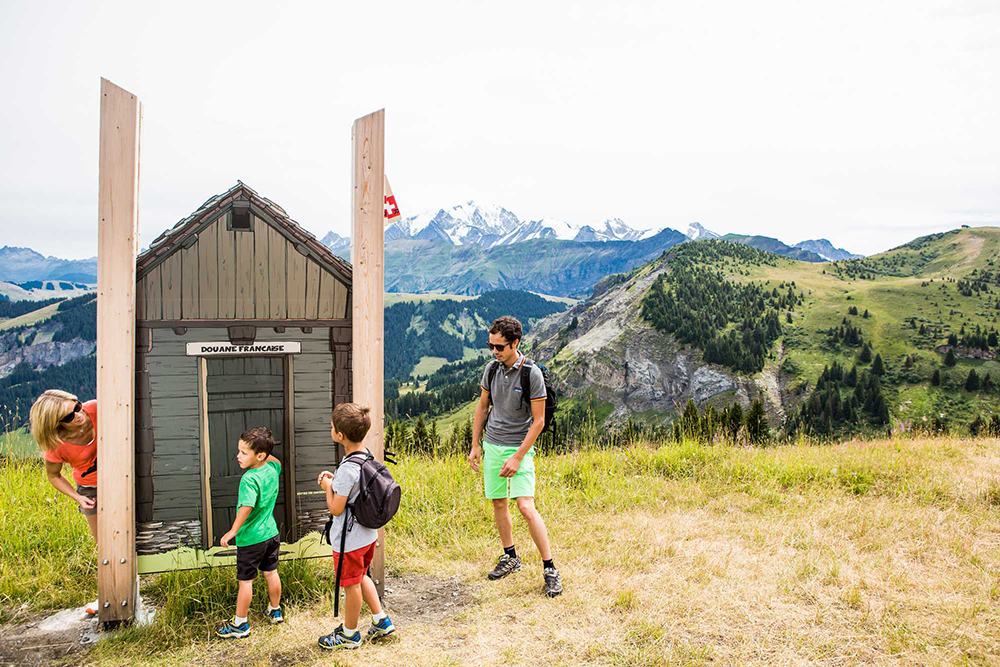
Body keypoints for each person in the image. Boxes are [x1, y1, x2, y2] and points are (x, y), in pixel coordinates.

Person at [469, 316, 563, 597]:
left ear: (515, 344)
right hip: (493, 445)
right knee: (499, 503)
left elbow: (538, 421)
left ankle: (550, 568)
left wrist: (518, 457)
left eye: (499, 347)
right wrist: (476, 444)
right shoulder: (491, 369)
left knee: (525, 506)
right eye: (491, 346)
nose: (494, 352)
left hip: (519, 448)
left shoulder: (531, 374)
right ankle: (510, 556)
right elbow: (483, 407)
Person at [317, 403, 395, 650]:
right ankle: (380, 619)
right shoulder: (366, 456)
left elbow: (336, 508)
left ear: (340, 436)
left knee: (351, 586)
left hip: (348, 542)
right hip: (368, 535)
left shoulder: (346, 469)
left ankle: (349, 635)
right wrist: (335, 482)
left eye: (332, 427)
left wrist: (327, 486)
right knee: (362, 575)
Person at [30, 390, 101, 615]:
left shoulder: (96, 409)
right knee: (104, 546)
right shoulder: (56, 445)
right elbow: (54, 475)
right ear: (56, 423)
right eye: (69, 416)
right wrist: (77, 496)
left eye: (77, 406)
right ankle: (109, 596)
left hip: (123, 478)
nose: (78, 415)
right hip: (91, 489)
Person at [215, 427, 284, 638]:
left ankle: (240, 624)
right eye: (239, 450)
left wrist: (232, 532)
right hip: (271, 534)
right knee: (271, 573)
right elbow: (277, 461)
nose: (238, 456)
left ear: (260, 455)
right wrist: (263, 448)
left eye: (244, 452)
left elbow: (246, 507)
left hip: (251, 540)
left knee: (246, 582)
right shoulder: (272, 469)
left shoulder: (249, 479)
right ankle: (275, 610)